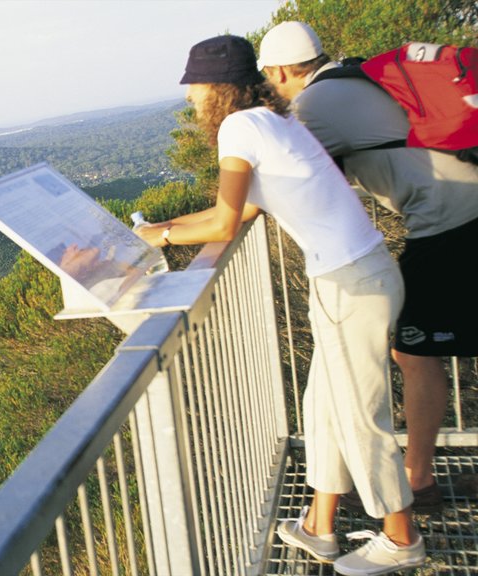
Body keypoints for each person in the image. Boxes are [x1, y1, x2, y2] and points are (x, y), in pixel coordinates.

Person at [136, 34, 424, 574]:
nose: (190, 97)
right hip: (354, 274)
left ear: (217, 86)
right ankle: (319, 526)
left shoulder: (238, 127)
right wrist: (159, 230)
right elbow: (239, 213)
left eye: (194, 85)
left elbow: (223, 220)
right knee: (323, 407)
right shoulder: (275, 119)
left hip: (349, 282)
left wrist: (164, 237)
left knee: (361, 416)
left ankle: (402, 538)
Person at [257, 21, 478, 514]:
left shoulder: (313, 106)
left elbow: (281, 184)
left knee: (414, 352)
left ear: (277, 71)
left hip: (449, 218)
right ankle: (416, 476)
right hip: (462, 206)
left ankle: (417, 482)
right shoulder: (352, 78)